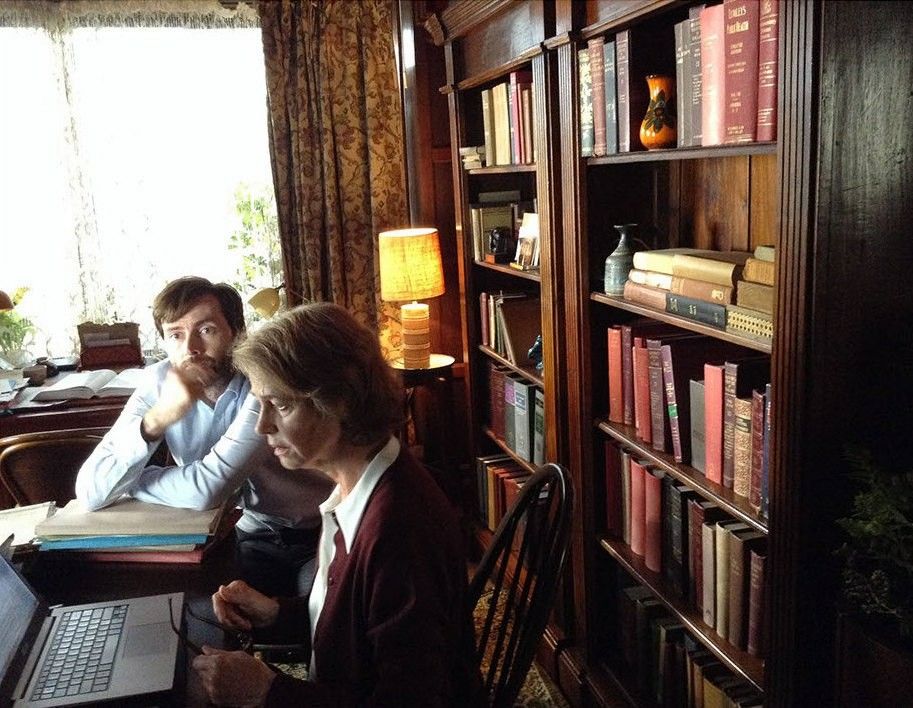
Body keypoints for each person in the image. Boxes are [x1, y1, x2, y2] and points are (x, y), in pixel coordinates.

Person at [192, 302, 483, 707]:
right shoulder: (359, 486)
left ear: (340, 400)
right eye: (260, 404)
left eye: (281, 405)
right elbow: (354, 626)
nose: (262, 425)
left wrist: (269, 692)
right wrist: (277, 613)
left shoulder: (398, 529)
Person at [74, 276, 333, 597]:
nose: (191, 349)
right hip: (241, 535)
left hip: (316, 534)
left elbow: (208, 490)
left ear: (237, 332)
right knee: (191, 606)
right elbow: (90, 492)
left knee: (318, 610)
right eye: (175, 335)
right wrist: (155, 421)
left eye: (206, 330)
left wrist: (133, 481)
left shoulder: (262, 379)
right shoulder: (158, 383)